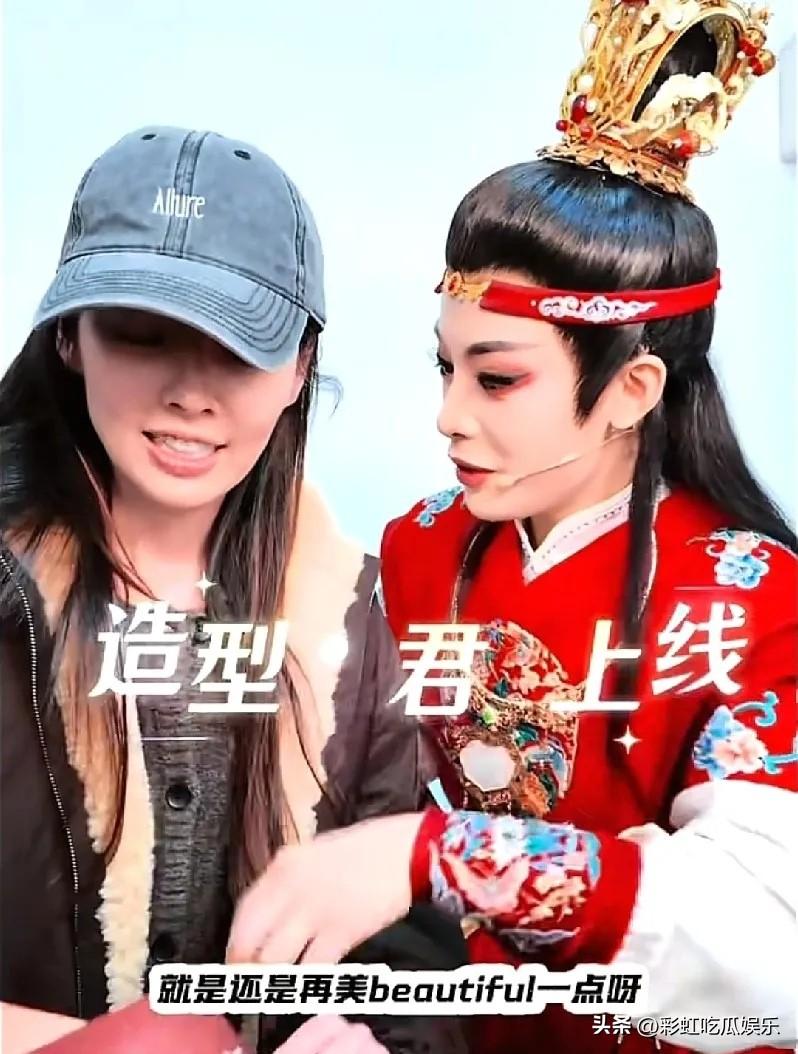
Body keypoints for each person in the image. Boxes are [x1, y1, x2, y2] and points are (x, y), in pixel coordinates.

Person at [226, 5, 798, 1054]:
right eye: (445, 367)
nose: (448, 415)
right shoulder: (423, 547)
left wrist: (444, 854)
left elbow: (769, 945)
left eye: (496, 379)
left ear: (629, 390)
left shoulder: (749, 598)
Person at [0, 126, 466, 1054]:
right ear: (69, 339)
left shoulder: (354, 622)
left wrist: (371, 1036)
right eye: (142, 333)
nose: (189, 393)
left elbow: (411, 952)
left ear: (300, 368)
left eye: (239, 345)